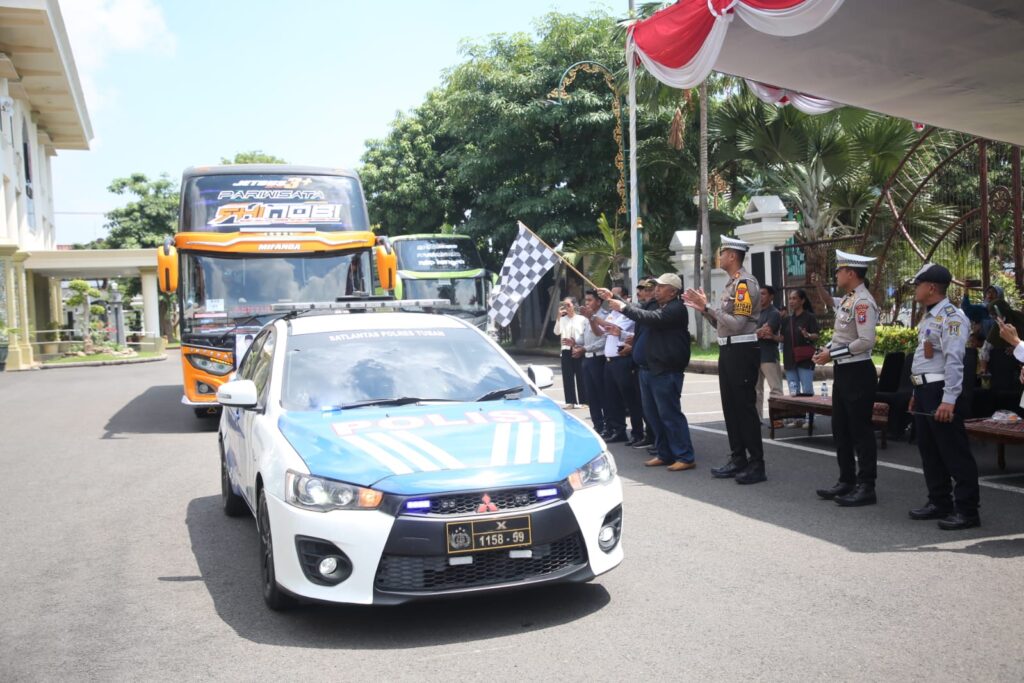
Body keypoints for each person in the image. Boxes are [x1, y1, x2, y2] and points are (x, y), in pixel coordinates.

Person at [683, 236, 766, 485]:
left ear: (732, 256)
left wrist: (708, 306)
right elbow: (722, 323)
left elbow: (738, 324)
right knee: (731, 407)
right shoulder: (732, 284)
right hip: (728, 349)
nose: (719, 257)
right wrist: (704, 309)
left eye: (722, 253)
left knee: (744, 408)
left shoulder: (744, 285)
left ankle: (756, 464)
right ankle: (738, 457)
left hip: (742, 350)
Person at [907, 263, 980, 530]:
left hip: (941, 392)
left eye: (918, 285)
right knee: (930, 451)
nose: (915, 289)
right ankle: (939, 501)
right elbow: (925, 358)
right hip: (925, 391)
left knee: (954, 452)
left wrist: (949, 399)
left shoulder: (952, 317)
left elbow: (954, 360)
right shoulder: (929, 316)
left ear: (931, 288)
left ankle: (967, 510)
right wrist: (916, 391)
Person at [599, 273, 695, 471]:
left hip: (664, 370)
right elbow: (638, 309)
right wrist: (613, 297)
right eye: (656, 287)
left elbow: (649, 317)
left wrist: (623, 307)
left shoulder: (676, 309)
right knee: (653, 416)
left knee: (669, 414)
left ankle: (684, 455)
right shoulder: (655, 305)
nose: (656, 290)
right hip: (647, 369)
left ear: (673, 291)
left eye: (661, 287)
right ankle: (664, 452)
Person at [812, 250, 880, 507]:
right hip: (844, 370)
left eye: (840, 270)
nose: (837, 274)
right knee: (840, 429)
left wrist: (832, 354)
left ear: (851, 273)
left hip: (858, 372)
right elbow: (842, 336)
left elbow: (866, 341)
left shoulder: (863, 302)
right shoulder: (849, 300)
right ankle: (846, 480)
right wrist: (828, 350)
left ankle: (866, 485)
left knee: (860, 431)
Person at [598, 288, 644, 444]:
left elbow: (614, 329)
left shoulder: (628, 313)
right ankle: (619, 431)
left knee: (630, 399)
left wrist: (592, 316)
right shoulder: (613, 313)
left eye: (613, 296)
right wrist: (592, 318)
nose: (609, 300)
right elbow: (603, 331)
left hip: (622, 359)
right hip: (609, 360)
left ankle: (638, 433)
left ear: (624, 298)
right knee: (613, 398)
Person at [780, 288, 819, 427]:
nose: (791, 301)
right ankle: (798, 418)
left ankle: (810, 420)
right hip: (789, 359)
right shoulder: (787, 320)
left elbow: (816, 335)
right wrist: (770, 335)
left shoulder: (809, 317)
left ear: (802, 301)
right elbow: (782, 338)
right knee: (794, 391)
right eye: (790, 298)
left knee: (807, 390)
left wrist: (808, 335)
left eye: (794, 298)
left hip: (805, 359)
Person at [755, 285, 785, 426]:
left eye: (763, 294)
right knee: (756, 390)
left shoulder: (774, 313)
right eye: (759, 294)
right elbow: (755, 332)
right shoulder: (755, 312)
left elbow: (766, 331)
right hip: (755, 355)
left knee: (775, 388)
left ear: (771, 297)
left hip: (769, 356)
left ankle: (777, 419)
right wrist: (756, 332)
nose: (760, 296)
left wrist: (752, 333)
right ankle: (757, 419)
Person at [579, 290, 608, 436]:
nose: (587, 303)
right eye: (586, 300)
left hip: (599, 358)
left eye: (590, 300)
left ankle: (608, 425)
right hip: (588, 358)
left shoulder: (605, 316)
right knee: (591, 395)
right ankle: (598, 425)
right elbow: (584, 337)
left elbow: (604, 340)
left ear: (599, 301)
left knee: (603, 394)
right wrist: (575, 342)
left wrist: (586, 348)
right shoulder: (586, 318)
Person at [553, 297, 587, 409]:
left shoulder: (582, 319)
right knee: (567, 376)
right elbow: (556, 332)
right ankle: (570, 401)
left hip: (578, 349)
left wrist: (581, 347)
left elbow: (585, 334)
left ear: (574, 305)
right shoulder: (563, 319)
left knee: (581, 375)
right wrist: (558, 317)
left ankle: (584, 401)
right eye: (564, 305)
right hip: (566, 349)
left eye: (568, 305)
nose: (566, 307)